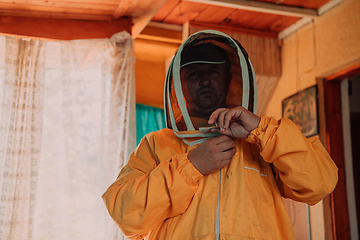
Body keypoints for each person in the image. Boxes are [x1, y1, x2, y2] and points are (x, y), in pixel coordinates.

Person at [102, 30, 338, 240]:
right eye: (194, 74)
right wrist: (191, 166)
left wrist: (260, 130)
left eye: (213, 71)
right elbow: (126, 215)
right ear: (179, 84)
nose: (205, 80)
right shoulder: (156, 144)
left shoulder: (263, 139)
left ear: (230, 78)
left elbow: (318, 185)